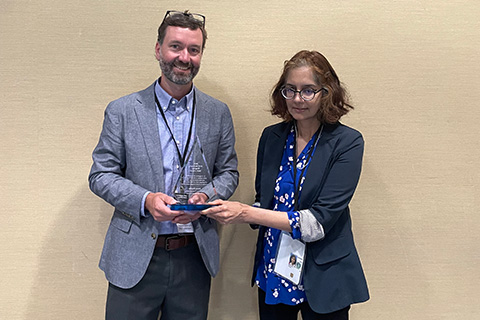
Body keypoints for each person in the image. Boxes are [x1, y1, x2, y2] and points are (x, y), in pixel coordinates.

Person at [88, 10, 239, 320]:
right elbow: (101, 175)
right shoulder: (123, 111)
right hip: (135, 256)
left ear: (200, 55)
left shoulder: (218, 112)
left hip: (193, 256)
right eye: (175, 47)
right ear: (158, 49)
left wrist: (206, 196)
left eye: (193, 50)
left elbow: (229, 172)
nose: (184, 57)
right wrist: (146, 200)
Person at [204, 50, 369, 319]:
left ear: (327, 92)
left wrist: (246, 213)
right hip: (275, 268)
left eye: (308, 91)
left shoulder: (347, 143)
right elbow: (265, 201)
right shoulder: (272, 137)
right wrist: (222, 208)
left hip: (323, 275)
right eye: (289, 90)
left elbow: (317, 223)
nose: (296, 99)